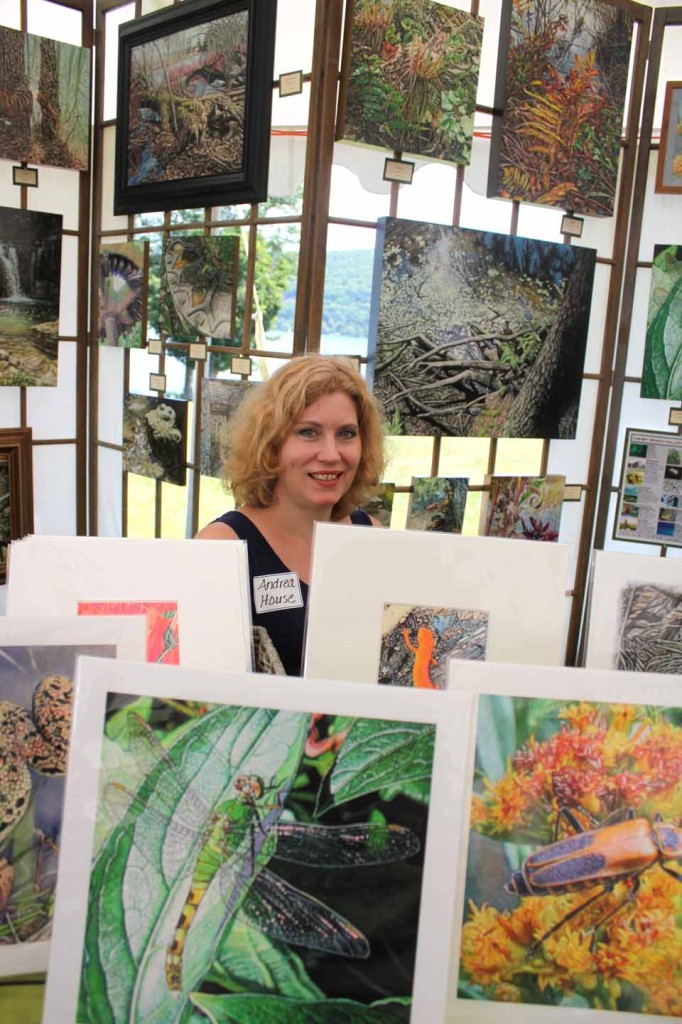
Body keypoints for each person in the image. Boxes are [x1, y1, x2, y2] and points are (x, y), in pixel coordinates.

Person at [197, 354, 385, 675]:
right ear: (271, 443)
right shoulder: (221, 547)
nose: (331, 454)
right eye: (308, 432)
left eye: (346, 433)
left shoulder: (372, 535)